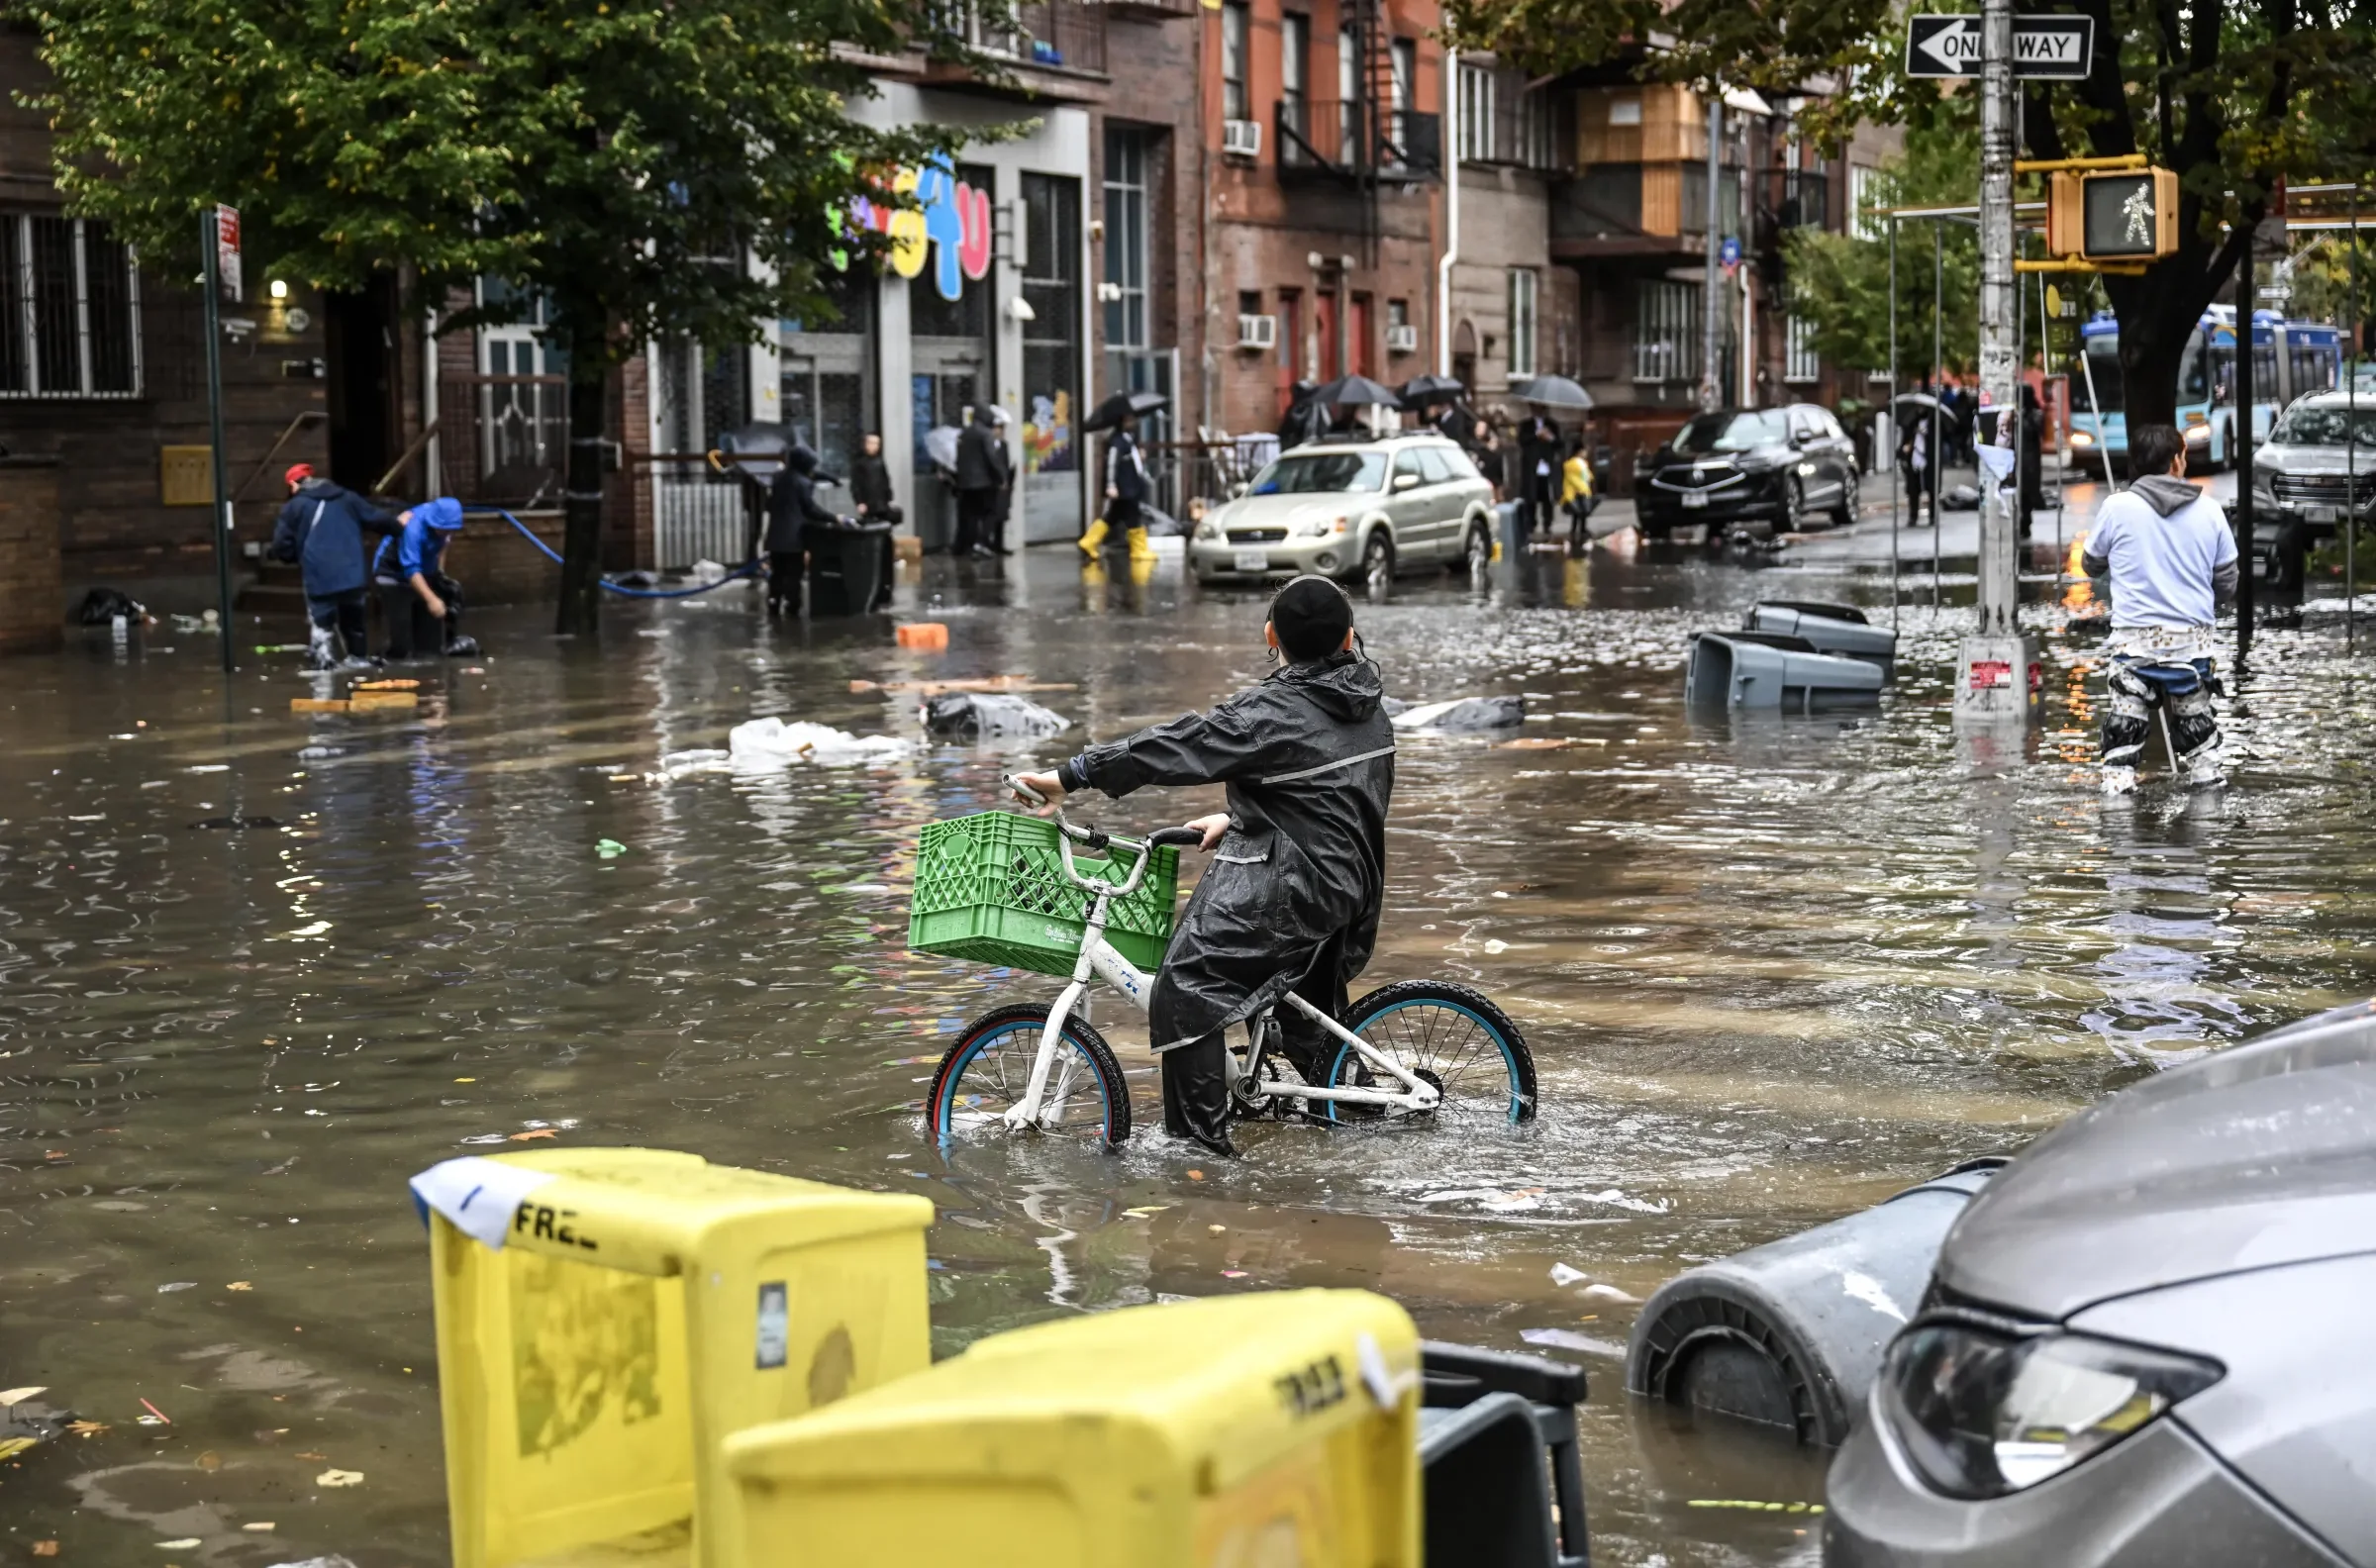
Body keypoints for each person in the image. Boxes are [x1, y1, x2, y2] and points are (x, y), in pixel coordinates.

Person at [1011, 576, 1392, 1156]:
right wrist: (1237, 815)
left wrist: (1072, 775)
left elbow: (1176, 744)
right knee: (1303, 1015)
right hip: (1350, 884)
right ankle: (1359, 1113)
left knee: (1187, 986)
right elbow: (1329, 790)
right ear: (1349, 638)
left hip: (1299, 883)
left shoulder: (1269, 712)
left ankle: (1198, 1156)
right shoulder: (1367, 704)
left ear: (1271, 635)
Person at [2081, 423, 2237, 795]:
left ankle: (2119, 831)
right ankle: (2207, 827)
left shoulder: (2116, 507)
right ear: (2177, 461)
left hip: (2133, 648)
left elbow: (2090, 564)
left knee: (2120, 750)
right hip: (2193, 648)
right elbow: (2228, 583)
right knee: (2202, 751)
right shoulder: (2211, 511)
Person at [269, 463, 395, 670]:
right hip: (352, 573)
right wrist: (399, 529)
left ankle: (324, 665)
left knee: (322, 622)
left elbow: (282, 544)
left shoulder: (295, 506)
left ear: (292, 484)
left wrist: (291, 557)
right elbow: (377, 518)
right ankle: (358, 659)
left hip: (319, 574)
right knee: (354, 620)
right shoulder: (347, 498)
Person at [372, 497, 477, 659]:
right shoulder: (413, 529)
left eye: (450, 530)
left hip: (423, 571)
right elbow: (411, 570)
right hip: (392, 575)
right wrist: (431, 599)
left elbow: (443, 545)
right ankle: (392, 660)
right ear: (433, 523)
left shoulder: (446, 525)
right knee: (401, 636)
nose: (447, 533)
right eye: (443, 530)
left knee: (430, 642)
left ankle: (428, 668)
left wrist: (439, 573)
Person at [765, 445, 840, 617]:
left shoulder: (779, 478)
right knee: (793, 574)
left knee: (777, 573)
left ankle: (773, 601)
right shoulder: (803, 483)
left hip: (775, 537)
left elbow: (769, 504)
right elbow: (811, 509)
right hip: (794, 538)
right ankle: (792, 605)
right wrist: (834, 518)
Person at [951, 406, 1008, 557]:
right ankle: (981, 543)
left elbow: (958, 459)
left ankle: (968, 545)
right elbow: (992, 458)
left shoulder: (964, 433)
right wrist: (1001, 477)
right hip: (984, 482)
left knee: (970, 515)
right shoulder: (986, 434)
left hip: (965, 483)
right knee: (989, 513)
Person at [1516, 408, 1559, 539]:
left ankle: (1547, 523)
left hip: (1546, 464)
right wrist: (1536, 434)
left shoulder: (1552, 425)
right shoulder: (1526, 425)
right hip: (1532, 465)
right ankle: (1531, 524)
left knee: (1547, 497)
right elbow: (1522, 441)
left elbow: (1559, 443)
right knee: (1531, 496)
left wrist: (1550, 437)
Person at [849, 433, 901, 529]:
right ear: (865, 444)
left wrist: (889, 497)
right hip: (867, 501)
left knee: (885, 525)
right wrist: (859, 501)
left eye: (877, 444)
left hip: (881, 501)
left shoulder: (879, 461)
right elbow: (855, 484)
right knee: (870, 525)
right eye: (871, 443)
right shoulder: (859, 463)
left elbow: (885, 480)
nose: (874, 446)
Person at [1560, 433, 1595, 554]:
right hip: (1575, 493)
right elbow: (1575, 479)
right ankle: (1577, 531)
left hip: (1582, 492)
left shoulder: (1583, 463)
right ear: (1580, 451)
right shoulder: (1572, 464)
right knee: (1579, 512)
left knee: (1580, 513)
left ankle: (1579, 530)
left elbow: (1587, 476)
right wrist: (1583, 489)